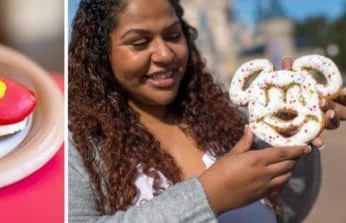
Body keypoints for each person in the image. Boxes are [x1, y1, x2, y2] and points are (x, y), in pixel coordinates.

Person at [68, 0, 346, 222]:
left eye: (173, 35)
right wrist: (209, 197)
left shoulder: (224, 120)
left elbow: (287, 210)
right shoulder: (77, 144)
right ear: (100, 54)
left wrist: (294, 132)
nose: (165, 54)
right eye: (139, 43)